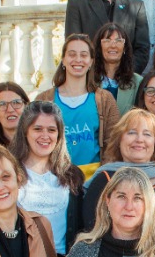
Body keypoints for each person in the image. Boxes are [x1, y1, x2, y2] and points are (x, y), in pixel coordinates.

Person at [35, 34, 121, 178]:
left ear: (91, 61)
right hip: (55, 178)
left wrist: (102, 178)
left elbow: (113, 143)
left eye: (84, 55)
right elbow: (33, 139)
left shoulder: (104, 99)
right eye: (72, 54)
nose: (78, 60)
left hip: (93, 179)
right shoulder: (44, 99)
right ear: (63, 59)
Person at [83, 108, 155, 228]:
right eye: (131, 132)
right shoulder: (104, 180)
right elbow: (92, 228)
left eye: (147, 134)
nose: (139, 139)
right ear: (119, 140)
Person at [12, 101, 85, 255]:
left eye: (51, 130)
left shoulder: (73, 175)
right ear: (25, 131)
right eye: (37, 129)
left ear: (59, 135)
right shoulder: (9, 173)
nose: (45, 136)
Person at [93, 23, 143, 115]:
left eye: (118, 41)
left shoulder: (138, 82)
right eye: (107, 40)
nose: (113, 45)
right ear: (99, 47)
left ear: (124, 48)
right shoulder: (88, 80)